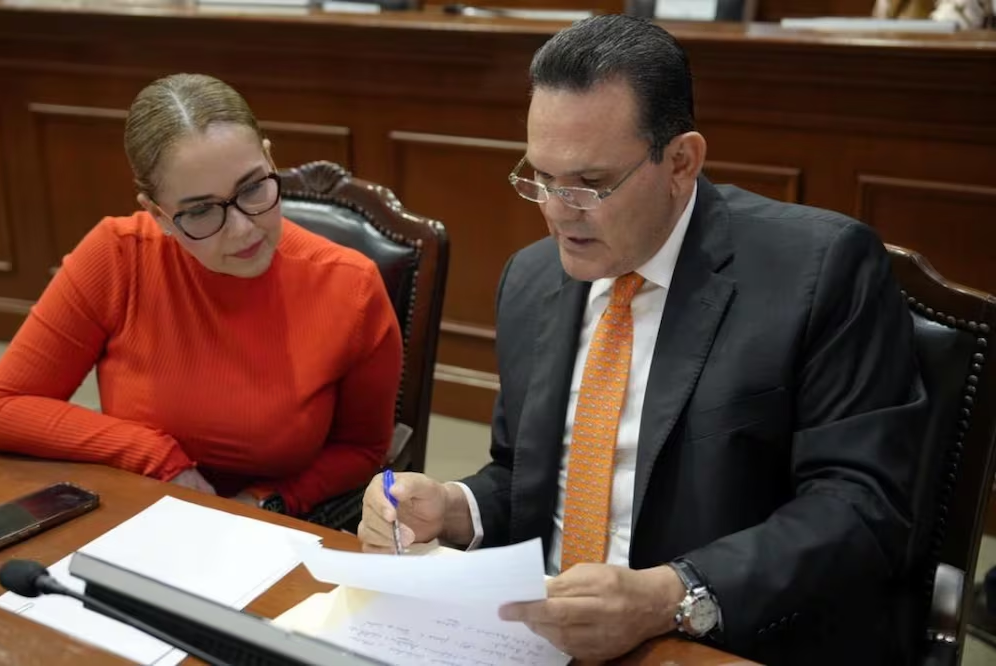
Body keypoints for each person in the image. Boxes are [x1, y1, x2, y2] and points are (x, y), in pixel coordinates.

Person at [359, 15, 927, 665]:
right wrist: (453, 507)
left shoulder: (817, 270)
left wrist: (671, 595)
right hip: (539, 639)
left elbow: (859, 507)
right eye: (540, 176)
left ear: (681, 162)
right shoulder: (531, 278)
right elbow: (527, 475)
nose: (557, 210)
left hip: (715, 643)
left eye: (589, 184)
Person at [0, 74, 403, 527]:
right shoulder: (118, 256)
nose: (243, 229)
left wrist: (265, 502)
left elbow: (362, 449)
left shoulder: (349, 285)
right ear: (157, 214)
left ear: (270, 159)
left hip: (278, 530)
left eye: (253, 188)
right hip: (143, 516)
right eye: (200, 211)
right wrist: (157, 455)